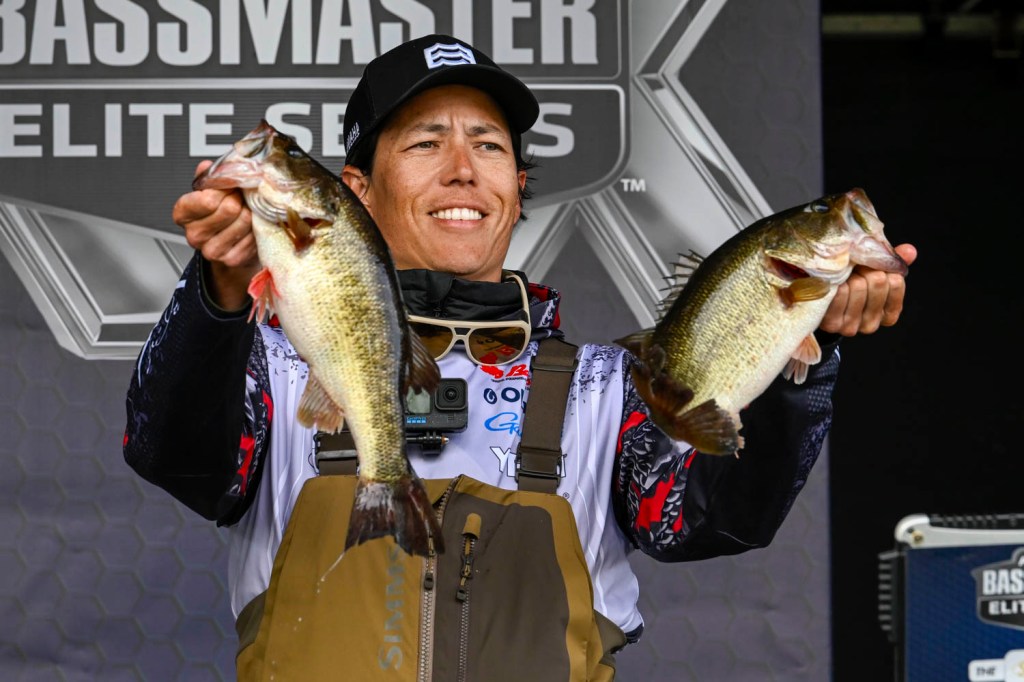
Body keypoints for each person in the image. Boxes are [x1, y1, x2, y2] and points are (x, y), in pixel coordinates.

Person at [123, 34, 916, 681]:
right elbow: (176, 455)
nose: (462, 168)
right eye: (426, 142)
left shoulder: (608, 390)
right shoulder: (274, 365)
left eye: (489, 145)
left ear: (517, 184)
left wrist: (801, 352)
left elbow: (714, 521)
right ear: (356, 190)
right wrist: (217, 293)